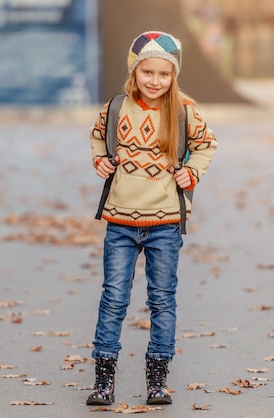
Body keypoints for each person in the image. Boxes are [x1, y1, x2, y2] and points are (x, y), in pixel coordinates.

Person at [87, 30, 217, 406]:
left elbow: (207, 145)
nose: (155, 81)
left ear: (173, 75)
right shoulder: (115, 109)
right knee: (113, 297)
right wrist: (100, 160)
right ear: (135, 70)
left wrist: (190, 172)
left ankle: (157, 378)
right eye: (148, 73)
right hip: (121, 222)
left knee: (162, 299)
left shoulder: (183, 110)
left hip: (164, 223)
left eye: (164, 74)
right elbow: (97, 137)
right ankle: (104, 378)